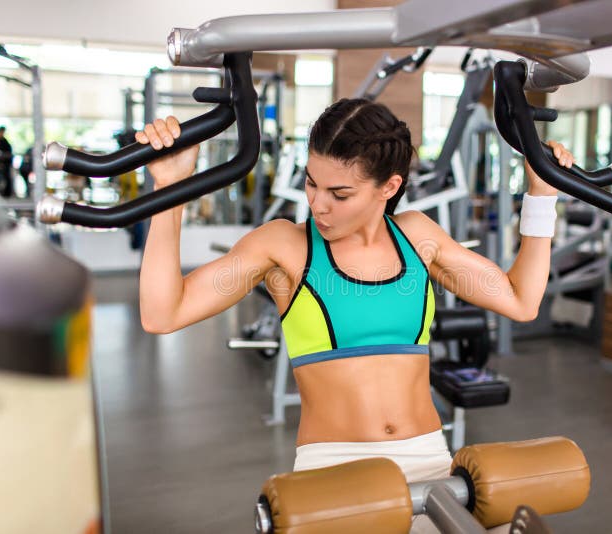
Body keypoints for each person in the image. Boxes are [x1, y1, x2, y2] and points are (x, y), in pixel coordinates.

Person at [138, 98, 573, 532]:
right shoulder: (285, 247)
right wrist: (171, 187)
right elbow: (164, 312)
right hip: (336, 474)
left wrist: (542, 195)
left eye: (339, 193)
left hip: (430, 464)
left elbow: (521, 299)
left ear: (389, 186)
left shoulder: (418, 237)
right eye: (311, 184)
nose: (318, 205)